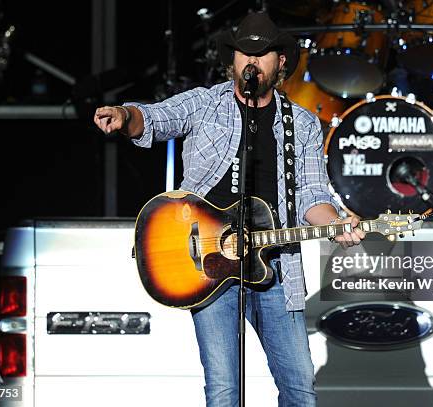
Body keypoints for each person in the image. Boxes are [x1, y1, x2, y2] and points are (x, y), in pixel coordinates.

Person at [93, 12, 366, 407]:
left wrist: (337, 223)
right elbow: (153, 118)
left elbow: (311, 196)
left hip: (277, 271)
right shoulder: (205, 105)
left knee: (300, 391)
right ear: (232, 59)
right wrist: (124, 116)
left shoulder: (302, 124)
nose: (250, 61)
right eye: (243, 52)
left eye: (261, 53)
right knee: (224, 391)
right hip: (207, 263)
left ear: (281, 63)